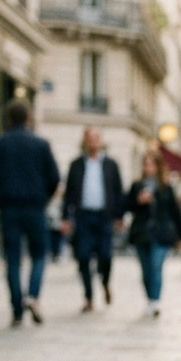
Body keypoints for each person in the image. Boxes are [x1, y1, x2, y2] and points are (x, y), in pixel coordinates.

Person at [0, 99, 59, 327]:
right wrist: (43, 197)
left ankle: (16, 311)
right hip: (35, 206)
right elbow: (53, 178)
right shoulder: (40, 144)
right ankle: (33, 296)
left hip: (8, 208)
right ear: (28, 119)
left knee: (12, 258)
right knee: (39, 254)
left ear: (8, 119)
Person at [61, 127, 124, 311]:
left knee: (106, 256)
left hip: (104, 218)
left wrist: (119, 216)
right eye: (89, 138)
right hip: (83, 218)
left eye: (96, 137)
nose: (92, 141)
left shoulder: (111, 164)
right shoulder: (76, 164)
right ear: (84, 141)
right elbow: (69, 193)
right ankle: (88, 297)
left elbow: (118, 191)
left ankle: (105, 282)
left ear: (101, 140)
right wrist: (66, 218)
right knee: (82, 256)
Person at [126, 151, 181, 316]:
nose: (148, 168)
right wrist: (138, 201)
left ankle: (156, 301)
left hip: (161, 235)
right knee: (146, 270)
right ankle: (150, 299)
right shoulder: (137, 186)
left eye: (151, 164)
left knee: (156, 266)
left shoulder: (165, 187)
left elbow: (175, 212)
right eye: (145, 164)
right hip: (142, 233)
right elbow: (126, 205)